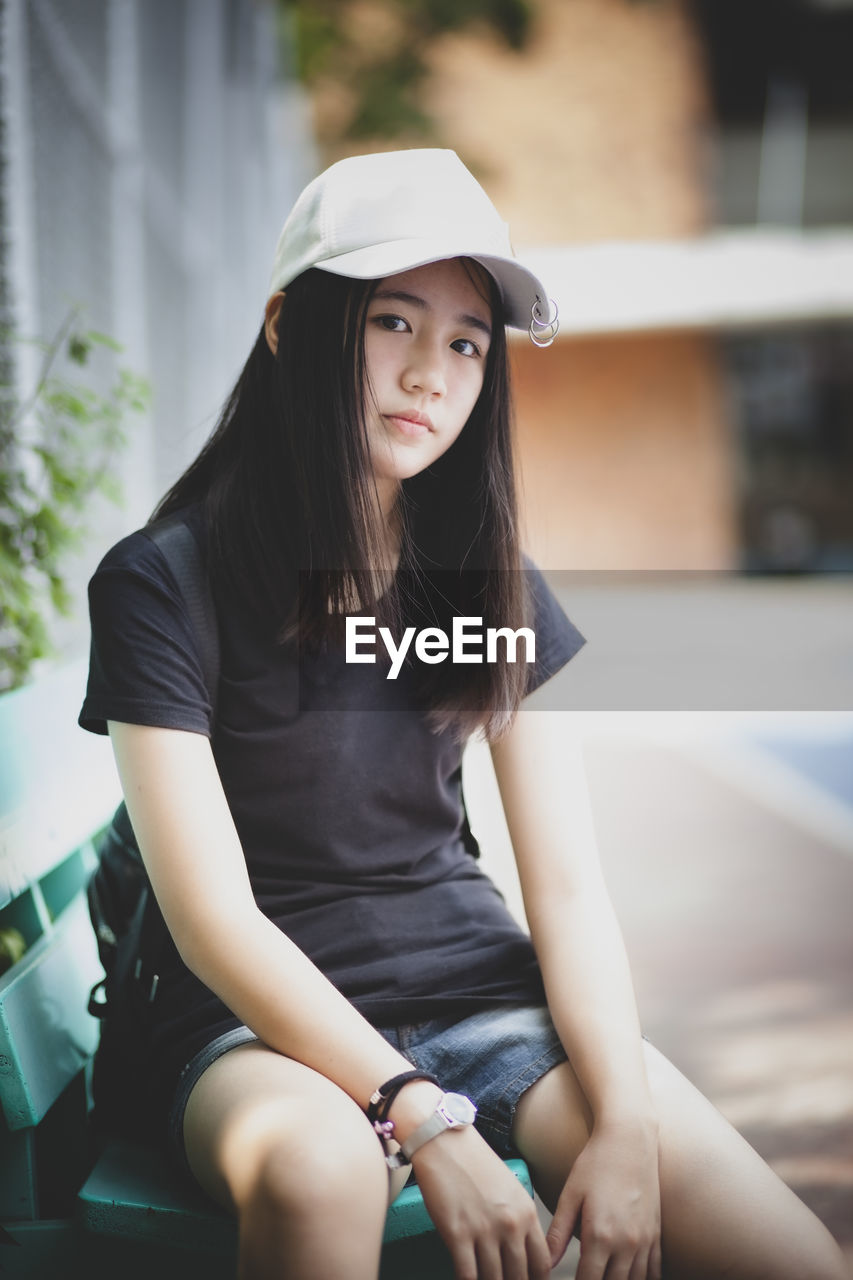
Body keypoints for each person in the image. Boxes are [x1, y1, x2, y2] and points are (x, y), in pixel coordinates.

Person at [80, 149, 847, 1280]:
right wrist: (418, 1112)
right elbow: (214, 920)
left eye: (466, 341)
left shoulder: (486, 585)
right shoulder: (164, 581)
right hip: (255, 1028)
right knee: (318, 1171)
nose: (429, 372)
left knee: (787, 1251)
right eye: (392, 321)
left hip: (479, 997)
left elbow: (568, 886)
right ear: (291, 326)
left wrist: (625, 1117)